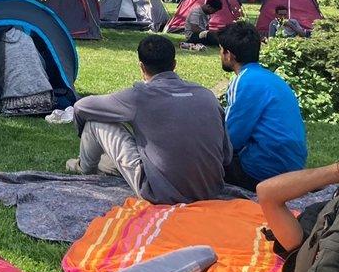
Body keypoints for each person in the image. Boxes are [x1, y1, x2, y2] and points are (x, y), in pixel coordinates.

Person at [67, 34, 229, 204]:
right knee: (111, 160)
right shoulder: (207, 95)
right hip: (210, 190)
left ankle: (83, 168)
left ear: (141, 66)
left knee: (95, 122)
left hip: (160, 194)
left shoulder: (139, 97)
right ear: (174, 64)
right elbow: (226, 155)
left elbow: (81, 107)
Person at [217, 21, 307, 191]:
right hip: (292, 164)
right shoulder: (270, 78)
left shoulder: (244, 80)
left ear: (229, 55)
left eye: (221, 50)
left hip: (263, 170)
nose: (220, 55)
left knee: (201, 157)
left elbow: (231, 139)